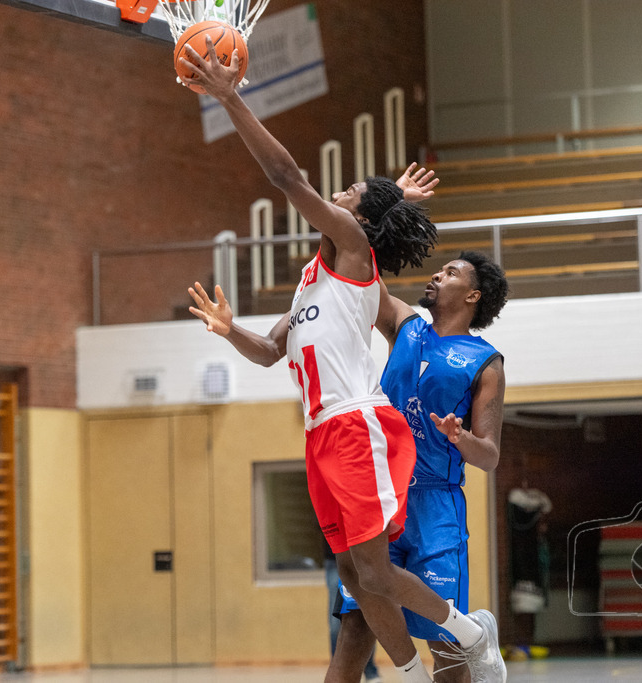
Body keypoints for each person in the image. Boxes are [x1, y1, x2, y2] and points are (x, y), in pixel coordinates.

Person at [180, 39, 506, 683]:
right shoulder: (312, 278)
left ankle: (470, 634)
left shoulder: (355, 248)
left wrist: (228, 96)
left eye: (352, 190)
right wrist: (228, 331)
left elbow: (286, 178)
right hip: (319, 432)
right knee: (357, 576)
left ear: (357, 216)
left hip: (358, 425)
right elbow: (273, 352)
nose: (340, 191)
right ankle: (412, 672)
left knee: (375, 572)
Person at [330, 252, 509, 683]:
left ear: (472, 294)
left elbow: (490, 456)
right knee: (355, 628)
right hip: (382, 498)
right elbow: (361, 273)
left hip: (437, 507)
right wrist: (386, 213)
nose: (436, 274)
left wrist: (461, 438)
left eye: (450, 273)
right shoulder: (405, 327)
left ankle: (472, 638)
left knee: (446, 651)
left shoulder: (485, 362)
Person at [325, 542, 382, 683]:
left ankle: (370, 671)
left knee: (363, 620)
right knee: (338, 625)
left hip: (363, 555)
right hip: (337, 557)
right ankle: (340, 668)